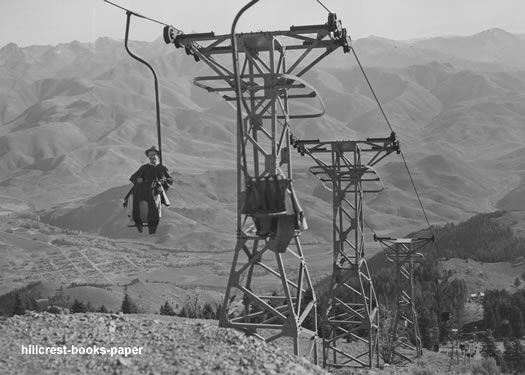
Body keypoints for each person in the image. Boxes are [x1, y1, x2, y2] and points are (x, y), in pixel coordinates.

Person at [128, 146, 173, 234]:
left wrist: (163, 181)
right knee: (133, 196)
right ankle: (138, 220)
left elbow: (169, 180)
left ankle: (152, 223)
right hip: (142, 188)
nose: (152, 157)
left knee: (153, 196)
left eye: (154, 155)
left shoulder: (162, 168)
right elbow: (133, 177)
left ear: (157, 156)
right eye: (150, 156)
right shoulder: (144, 168)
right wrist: (138, 180)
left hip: (155, 188)